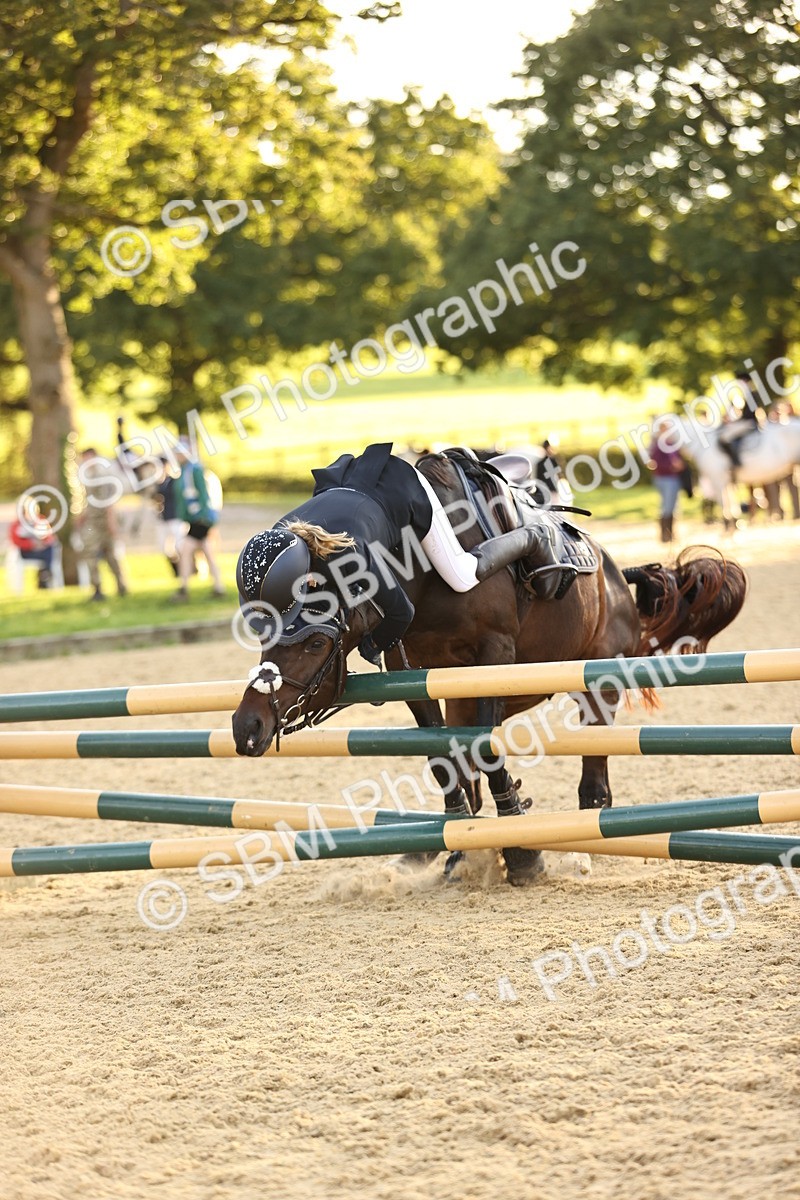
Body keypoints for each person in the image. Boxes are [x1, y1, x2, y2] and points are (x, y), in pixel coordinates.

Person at [236, 441, 563, 667]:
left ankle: (532, 537)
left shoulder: (349, 555)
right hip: (356, 490)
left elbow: (400, 614)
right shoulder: (276, 541)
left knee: (461, 575)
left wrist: (372, 645)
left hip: (406, 489)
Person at [173, 439, 224, 600]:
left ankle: (184, 588)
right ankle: (218, 586)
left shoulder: (194, 469)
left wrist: (203, 516)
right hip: (194, 519)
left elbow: (203, 494)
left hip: (200, 520)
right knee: (207, 552)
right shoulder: (184, 470)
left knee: (186, 551)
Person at [76, 448, 129, 601]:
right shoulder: (87, 476)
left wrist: (112, 523)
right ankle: (97, 588)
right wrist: (82, 517)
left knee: (110, 554)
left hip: (104, 521)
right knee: (90, 552)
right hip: (92, 521)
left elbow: (109, 502)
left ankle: (121, 584)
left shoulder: (103, 476)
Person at [647, 419, 686, 543]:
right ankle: (665, 534)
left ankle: (670, 533)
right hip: (665, 478)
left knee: (673, 506)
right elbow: (656, 463)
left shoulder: (671, 444)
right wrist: (672, 466)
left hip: (673, 478)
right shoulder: (659, 445)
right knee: (667, 506)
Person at [717, 371, 763, 468]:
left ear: (745, 381)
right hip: (746, 422)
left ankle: (735, 461)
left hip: (749, 423)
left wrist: (735, 421)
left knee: (724, 438)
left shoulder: (751, 394)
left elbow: (748, 414)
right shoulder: (747, 395)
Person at [9, 510, 58, 588]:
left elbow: (50, 537)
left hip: (42, 551)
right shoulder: (17, 525)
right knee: (48, 554)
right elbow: (15, 541)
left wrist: (43, 544)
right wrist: (32, 545)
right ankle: (45, 574)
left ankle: (44, 574)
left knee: (49, 548)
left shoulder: (41, 520)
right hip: (26, 552)